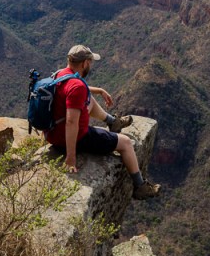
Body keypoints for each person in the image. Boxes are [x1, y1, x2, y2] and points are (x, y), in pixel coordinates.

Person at [45, 44, 160, 199]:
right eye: (90, 62)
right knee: (126, 143)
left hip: (52, 132)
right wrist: (71, 157)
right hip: (75, 138)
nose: (90, 65)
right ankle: (140, 186)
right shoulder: (77, 87)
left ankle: (113, 122)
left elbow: (75, 88)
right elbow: (71, 122)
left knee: (89, 98)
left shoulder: (60, 74)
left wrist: (99, 90)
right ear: (84, 63)